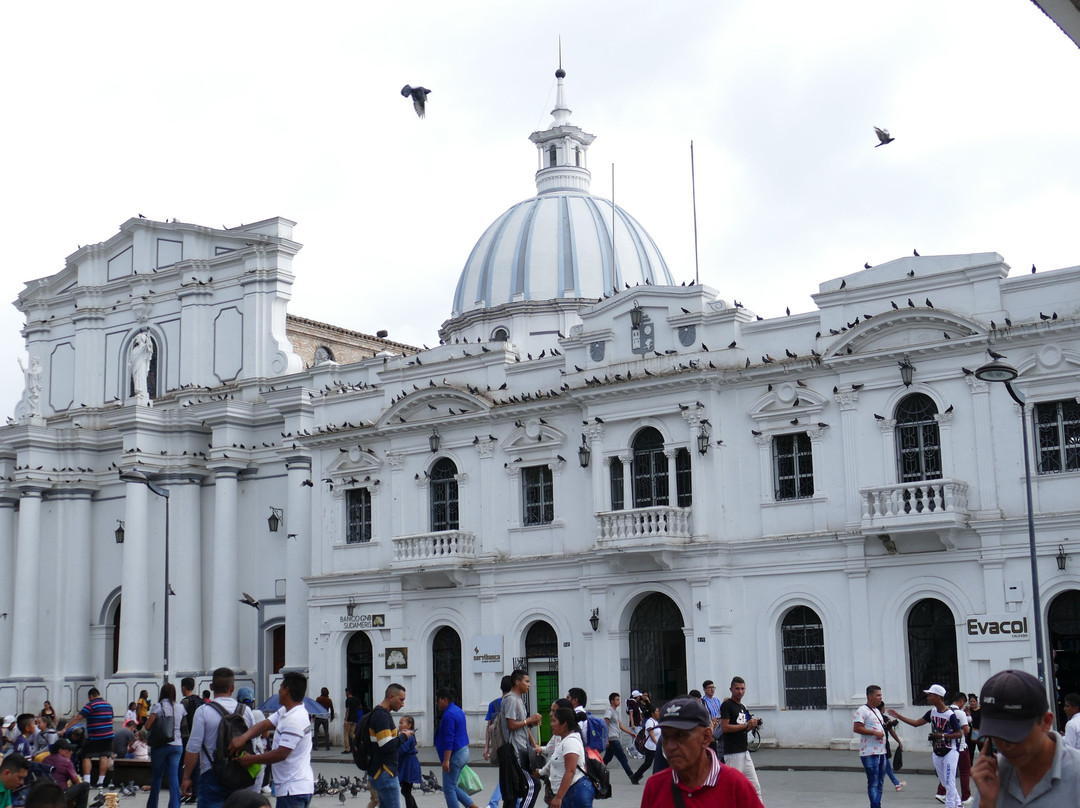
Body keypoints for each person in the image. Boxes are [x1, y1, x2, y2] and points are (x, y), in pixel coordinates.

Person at [970, 668, 1080, 807]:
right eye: (997, 735)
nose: (1007, 746)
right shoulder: (992, 776)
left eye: (1016, 734)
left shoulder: (1076, 775)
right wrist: (987, 804)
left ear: (1046, 722)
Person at [639, 697, 763, 807]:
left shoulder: (736, 785)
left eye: (681, 735)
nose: (670, 747)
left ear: (706, 737)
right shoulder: (655, 786)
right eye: (665, 736)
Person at [229, 672, 314, 808]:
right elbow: (264, 724)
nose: (278, 692)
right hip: (293, 788)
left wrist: (251, 759)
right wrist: (243, 738)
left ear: (286, 690)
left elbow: (281, 753)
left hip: (292, 790)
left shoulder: (294, 719)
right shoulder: (286, 711)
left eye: (280, 688)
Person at [181, 667, 255, 808]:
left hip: (211, 774)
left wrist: (186, 777)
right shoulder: (246, 712)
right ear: (232, 688)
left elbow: (193, 748)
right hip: (240, 774)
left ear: (211, 686)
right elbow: (255, 746)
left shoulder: (203, 711)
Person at [887, 684, 964, 808]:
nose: (928, 697)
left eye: (930, 695)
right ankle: (958, 804)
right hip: (937, 751)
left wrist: (942, 736)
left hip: (950, 751)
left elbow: (959, 734)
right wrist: (899, 716)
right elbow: (917, 723)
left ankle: (951, 805)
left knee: (949, 782)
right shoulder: (932, 712)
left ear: (938, 697)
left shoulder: (950, 715)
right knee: (945, 782)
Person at [497, 669, 543, 808]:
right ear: (517, 682)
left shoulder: (518, 700)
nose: (529, 685)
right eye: (526, 681)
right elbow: (511, 725)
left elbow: (521, 723)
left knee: (514, 793)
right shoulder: (511, 699)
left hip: (522, 748)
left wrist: (530, 722)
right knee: (533, 785)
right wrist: (529, 720)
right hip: (515, 750)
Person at [535, 707, 593, 808]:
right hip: (567, 793)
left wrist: (558, 797)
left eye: (554, 721)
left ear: (564, 724)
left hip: (573, 794)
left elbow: (570, 771)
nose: (551, 724)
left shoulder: (571, 742)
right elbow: (554, 762)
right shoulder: (564, 741)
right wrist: (540, 772)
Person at [366, 683, 412, 808]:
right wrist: (404, 737)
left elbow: (385, 741)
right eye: (401, 700)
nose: (402, 704)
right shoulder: (381, 716)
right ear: (391, 697)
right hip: (385, 772)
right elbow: (386, 746)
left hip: (382, 772)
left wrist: (398, 735)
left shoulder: (381, 713)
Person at [434, 688, 479, 808]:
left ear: (444, 699)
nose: (437, 703)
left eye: (438, 700)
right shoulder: (458, 710)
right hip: (463, 751)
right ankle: (472, 806)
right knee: (452, 786)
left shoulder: (449, 714)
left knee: (448, 789)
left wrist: (446, 760)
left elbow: (450, 739)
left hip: (455, 754)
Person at [720, 676, 763, 801]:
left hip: (744, 751)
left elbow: (743, 729)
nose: (740, 691)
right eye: (737, 688)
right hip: (732, 754)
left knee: (755, 787)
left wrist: (751, 725)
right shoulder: (727, 705)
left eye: (743, 689)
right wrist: (745, 725)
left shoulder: (742, 707)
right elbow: (725, 728)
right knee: (732, 788)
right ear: (731, 689)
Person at [145, 682, 187, 808]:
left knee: (157, 776)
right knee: (173, 776)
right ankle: (175, 805)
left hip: (161, 745)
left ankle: (152, 805)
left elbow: (147, 726)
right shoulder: (180, 707)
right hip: (177, 745)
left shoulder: (158, 707)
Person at [63, 687, 115, 786]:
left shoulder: (90, 705)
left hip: (95, 736)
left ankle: (87, 781)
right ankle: (100, 782)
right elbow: (111, 720)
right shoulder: (108, 705)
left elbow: (78, 717)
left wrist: (67, 727)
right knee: (104, 756)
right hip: (108, 735)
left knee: (86, 756)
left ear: (90, 696)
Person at [853, 684, 887, 808]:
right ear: (870, 696)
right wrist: (874, 732)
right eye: (878, 695)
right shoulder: (862, 710)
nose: (880, 698)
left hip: (881, 751)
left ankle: (876, 805)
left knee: (880, 782)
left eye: (881, 695)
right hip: (869, 752)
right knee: (873, 782)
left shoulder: (877, 711)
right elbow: (857, 728)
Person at [935, 692, 972, 804]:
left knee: (949, 771)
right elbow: (966, 730)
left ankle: (941, 792)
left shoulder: (946, 711)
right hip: (960, 746)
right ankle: (966, 796)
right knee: (965, 771)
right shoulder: (960, 713)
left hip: (947, 746)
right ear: (961, 701)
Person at [482, 676, 512, 808]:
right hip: (511, 745)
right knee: (510, 776)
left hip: (497, 745)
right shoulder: (513, 702)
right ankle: (493, 803)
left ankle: (497, 803)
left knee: (507, 775)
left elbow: (489, 727)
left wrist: (486, 747)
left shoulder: (493, 704)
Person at [43, 738, 90, 808]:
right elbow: (76, 781)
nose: (71, 752)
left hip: (44, 795)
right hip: (59, 795)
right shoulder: (66, 762)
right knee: (85, 786)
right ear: (60, 751)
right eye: (69, 750)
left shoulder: (45, 759)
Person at [601, 693, 635, 782]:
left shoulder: (616, 711)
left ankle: (596, 774)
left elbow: (620, 725)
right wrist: (606, 739)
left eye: (619, 700)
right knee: (623, 758)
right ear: (612, 701)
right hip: (612, 739)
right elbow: (605, 725)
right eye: (617, 700)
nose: (619, 701)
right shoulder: (609, 711)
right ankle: (632, 776)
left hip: (615, 738)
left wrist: (630, 732)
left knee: (606, 759)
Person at [630, 704, 660, 784]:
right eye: (657, 711)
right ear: (653, 713)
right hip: (651, 746)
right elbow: (651, 734)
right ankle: (635, 776)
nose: (658, 713)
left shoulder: (656, 722)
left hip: (655, 746)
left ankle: (637, 776)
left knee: (656, 763)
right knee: (648, 764)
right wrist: (658, 743)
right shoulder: (650, 722)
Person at [878, 703, 905, 792]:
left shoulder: (873, 718)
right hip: (884, 744)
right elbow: (892, 732)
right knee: (885, 765)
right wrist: (899, 741)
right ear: (882, 708)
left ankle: (895, 782)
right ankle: (895, 783)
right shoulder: (885, 719)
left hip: (875, 745)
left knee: (885, 765)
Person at [397, 716, 420, 808]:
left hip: (409, 765)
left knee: (406, 791)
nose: (399, 725)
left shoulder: (408, 736)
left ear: (409, 725)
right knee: (406, 791)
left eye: (401, 723)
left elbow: (402, 750)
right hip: (406, 764)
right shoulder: (406, 735)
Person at [701, 681, 724, 755]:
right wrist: (711, 720)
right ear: (704, 689)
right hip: (710, 726)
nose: (712, 690)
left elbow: (721, 711)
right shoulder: (703, 701)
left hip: (719, 726)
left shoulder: (716, 700)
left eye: (713, 688)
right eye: (710, 688)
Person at [343, 689, 359, 756]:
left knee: (346, 734)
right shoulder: (356, 699)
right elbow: (359, 707)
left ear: (347, 692)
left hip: (349, 719)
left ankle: (347, 748)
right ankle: (357, 745)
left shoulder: (348, 700)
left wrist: (346, 719)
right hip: (354, 719)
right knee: (352, 734)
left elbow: (347, 710)